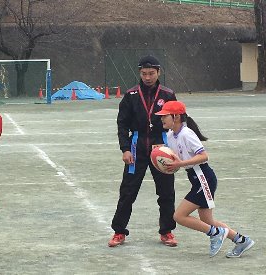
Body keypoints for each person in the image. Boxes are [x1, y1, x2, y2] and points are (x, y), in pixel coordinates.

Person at [155, 100, 255, 257]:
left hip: (203, 177)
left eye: (164, 116)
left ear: (176, 117)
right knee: (208, 221)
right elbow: (177, 157)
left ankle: (215, 234)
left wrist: (180, 163)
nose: (161, 118)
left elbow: (203, 156)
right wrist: (162, 153)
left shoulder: (187, 134)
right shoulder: (170, 135)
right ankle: (242, 240)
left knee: (179, 216)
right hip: (196, 178)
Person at [108, 55, 178, 247]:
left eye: (152, 73)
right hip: (136, 148)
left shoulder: (168, 94)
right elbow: (122, 124)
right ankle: (119, 232)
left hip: (162, 148)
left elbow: (178, 121)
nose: (148, 77)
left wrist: (174, 149)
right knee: (128, 192)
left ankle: (167, 231)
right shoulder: (131, 95)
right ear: (139, 73)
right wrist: (125, 149)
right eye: (144, 73)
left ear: (159, 73)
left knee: (166, 193)